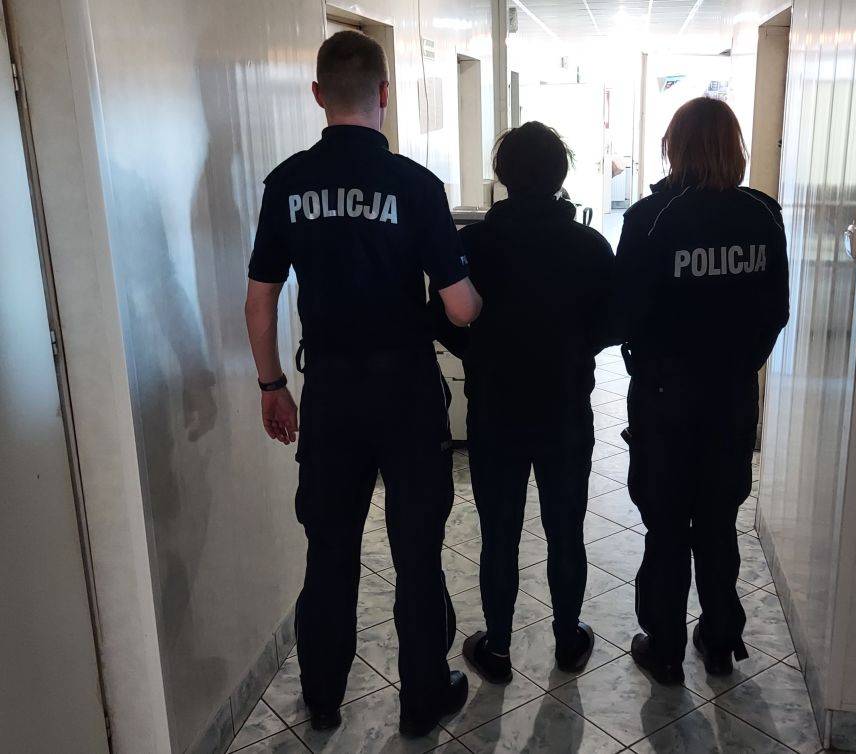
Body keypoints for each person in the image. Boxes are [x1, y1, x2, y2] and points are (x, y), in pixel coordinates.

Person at [244, 30, 482, 736]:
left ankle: (322, 697)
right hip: (406, 392)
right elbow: (460, 307)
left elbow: (260, 299)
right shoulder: (417, 185)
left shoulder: (287, 184)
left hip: (330, 394)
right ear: (384, 93)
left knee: (329, 549)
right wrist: (480, 296)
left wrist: (271, 385)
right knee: (417, 550)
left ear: (319, 95)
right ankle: (422, 700)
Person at [614, 97, 789, 683]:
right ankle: (720, 640)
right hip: (732, 397)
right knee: (718, 521)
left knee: (666, 525)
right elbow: (777, 310)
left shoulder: (650, 217)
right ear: (735, 146)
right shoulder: (763, 214)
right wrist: (741, 365)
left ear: (674, 146)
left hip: (666, 399)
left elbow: (626, 313)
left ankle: (664, 648)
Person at [433, 122, 615, 683]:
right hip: (565, 406)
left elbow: (442, 319)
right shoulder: (588, 246)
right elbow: (613, 322)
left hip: (495, 408)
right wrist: (574, 349)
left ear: (503, 175)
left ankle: (498, 648)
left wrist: (478, 354)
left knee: (499, 533)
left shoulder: (472, 246)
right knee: (566, 528)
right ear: (561, 175)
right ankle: (568, 640)